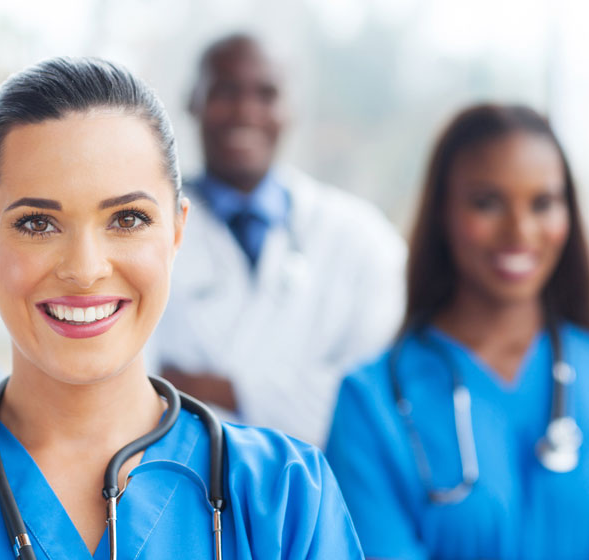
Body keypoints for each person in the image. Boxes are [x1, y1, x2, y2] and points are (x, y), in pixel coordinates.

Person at [0, 57, 363, 559]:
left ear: (178, 229)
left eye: (128, 219)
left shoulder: (284, 497)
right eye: (37, 223)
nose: (84, 268)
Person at [325, 103, 589, 559]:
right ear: (442, 213)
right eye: (487, 202)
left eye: (543, 203)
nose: (520, 230)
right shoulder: (371, 403)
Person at [148, 33, 406, 445]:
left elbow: (371, 401)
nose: (245, 112)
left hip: (324, 493)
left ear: (290, 110)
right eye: (225, 91)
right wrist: (295, 393)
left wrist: (217, 388)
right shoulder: (141, 232)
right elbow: (131, 391)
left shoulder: (362, 238)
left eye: (266, 94)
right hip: (181, 487)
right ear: (192, 101)